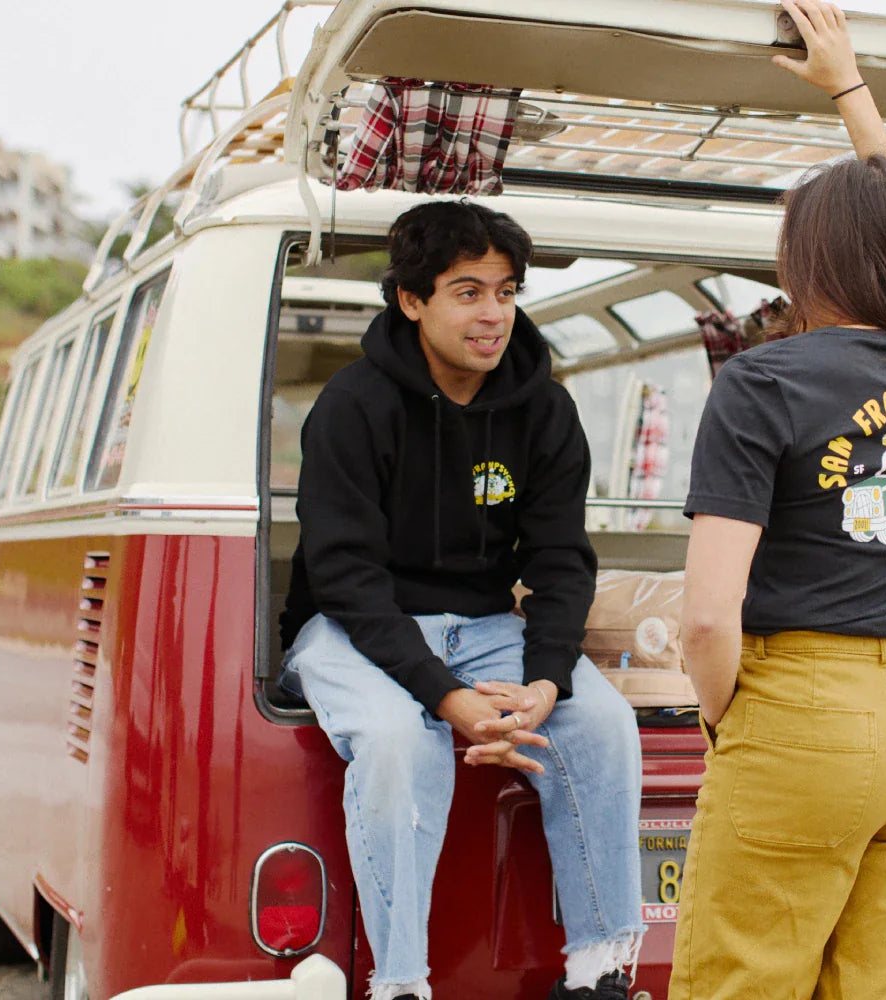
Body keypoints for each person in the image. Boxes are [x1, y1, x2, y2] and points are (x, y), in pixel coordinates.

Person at [668, 2, 886, 998]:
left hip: (805, 711)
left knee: (745, 978)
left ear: (804, 261)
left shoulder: (764, 383)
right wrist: (851, 90)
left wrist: (735, 720)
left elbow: (703, 619)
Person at [279, 200, 644, 1000]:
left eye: (507, 292)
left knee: (602, 723)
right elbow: (344, 575)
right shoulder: (354, 405)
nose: (493, 315)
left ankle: (598, 972)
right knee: (395, 739)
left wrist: (547, 682)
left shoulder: (544, 410)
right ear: (412, 299)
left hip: (484, 626)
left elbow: (559, 560)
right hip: (349, 626)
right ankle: (401, 985)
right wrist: (447, 700)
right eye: (468, 291)